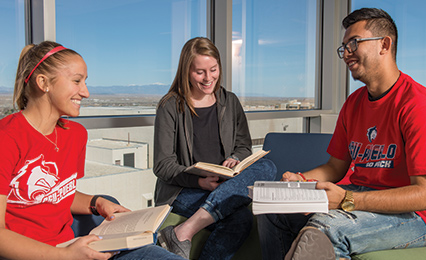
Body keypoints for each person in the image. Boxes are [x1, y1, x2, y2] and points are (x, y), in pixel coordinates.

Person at [257, 8, 426, 260]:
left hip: (412, 215)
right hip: (359, 192)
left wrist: (348, 199)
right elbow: (335, 167)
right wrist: (301, 180)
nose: (346, 53)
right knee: (274, 211)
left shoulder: (416, 104)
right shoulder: (354, 103)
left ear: (384, 44)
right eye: (344, 46)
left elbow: (423, 193)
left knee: (326, 230)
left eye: (354, 43)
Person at [0, 41, 184, 260]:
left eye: (85, 82)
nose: (85, 92)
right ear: (43, 83)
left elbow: (58, 194)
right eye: (77, 81)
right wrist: (63, 256)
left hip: (74, 246)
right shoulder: (8, 138)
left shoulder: (75, 134)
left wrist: (96, 202)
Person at [154, 37, 277, 259]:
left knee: (268, 166)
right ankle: (186, 229)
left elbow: (243, 146)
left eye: (213, 69)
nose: (208, 78)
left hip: (226, 181)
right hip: (185, 188)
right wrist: (199, 180)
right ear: (186, 71)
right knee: (240, 219)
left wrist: (234, 158)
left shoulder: (230, 101)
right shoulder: (170, 105)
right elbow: (163, 166)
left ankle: (183, 231)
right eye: (200, 72)